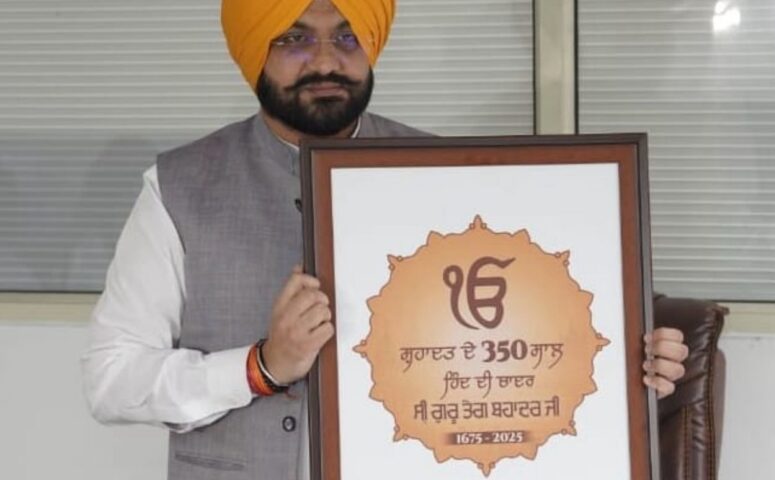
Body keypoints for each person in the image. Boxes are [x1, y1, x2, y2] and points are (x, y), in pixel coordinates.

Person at [81, 1, 690, 479]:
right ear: (254, 49)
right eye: (294, 38)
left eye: (347, 37)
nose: (325, 61)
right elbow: (111, 380)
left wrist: (627, 356)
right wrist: (260, 367)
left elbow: (522, 328)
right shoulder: (179, 186)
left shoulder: (445, 172)